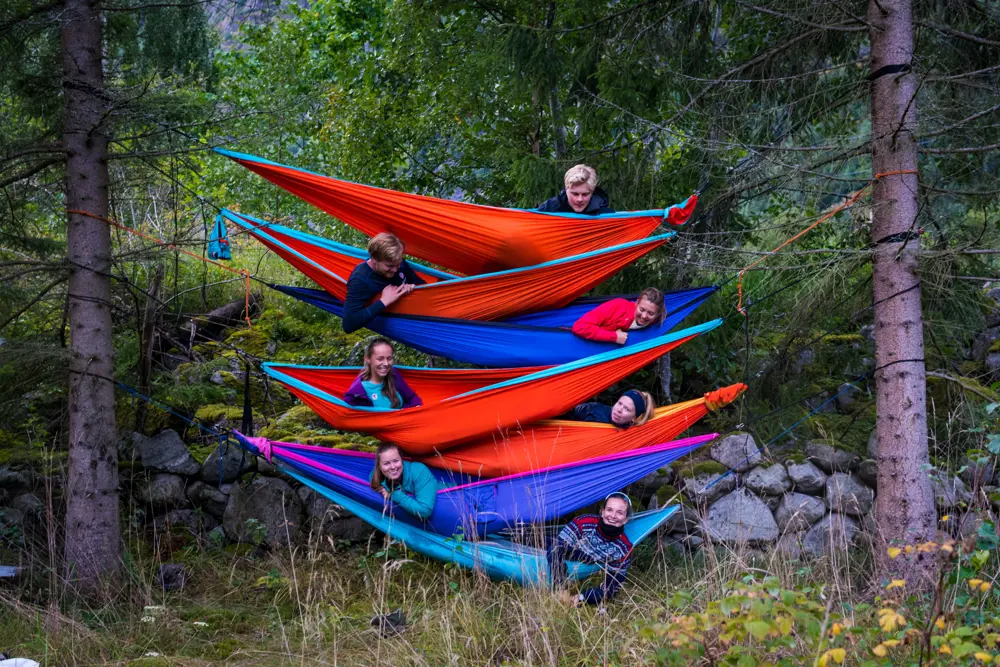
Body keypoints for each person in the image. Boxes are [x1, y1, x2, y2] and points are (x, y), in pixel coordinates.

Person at [547, 492, 633, 605]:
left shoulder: (623, 548)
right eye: (609, 510)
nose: (612, 516)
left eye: (619, 512)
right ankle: (562, 591)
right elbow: (557, 547)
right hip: (552, 551)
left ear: (626, 519)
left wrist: (582, 598)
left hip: (586, 564)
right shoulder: (584, 522)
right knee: (531, 539)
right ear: (602, 512)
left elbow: (613, 586)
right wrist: (563, 588)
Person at [342, 232, 426, 333]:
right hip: (392, 327)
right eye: (389, 266)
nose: (395, 270)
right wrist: (384, 301)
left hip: (417, 321)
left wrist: (413, 287)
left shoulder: (396, 261)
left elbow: (420, 283)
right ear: (374, 259)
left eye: (398, 265)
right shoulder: (360, 280)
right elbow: (348, 324)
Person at [344, 337, 422, 409]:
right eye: (380, 359)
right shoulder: (356, 393)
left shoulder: (394, 376)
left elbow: (412, 398)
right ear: (368, 359)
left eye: (389, 358)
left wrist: (416, 409)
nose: (386, 363)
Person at [571, 287, 666, 345]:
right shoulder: (617, 306)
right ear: (636, 303)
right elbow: (579, 327)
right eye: (641, 309)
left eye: (651, 313)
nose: (644, 316)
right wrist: (614, 336)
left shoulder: (657, 321)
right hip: (581, 345)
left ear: (657, 313)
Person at [369, 442, 438, 519]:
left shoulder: (419, 470)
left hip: (449, 496)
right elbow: (373, 476)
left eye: (396, 460)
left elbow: (424, 511)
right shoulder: (378, 474)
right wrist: (382, 489)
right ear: (379, 467)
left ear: (401, 459)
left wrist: (393, 494)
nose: (392, 467)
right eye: (386, 463)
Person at [537, 164, 614, 215]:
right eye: (575, 194)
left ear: (592, 192)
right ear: (566, 189)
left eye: (585, 194)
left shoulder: (605, 215)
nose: (580, 199)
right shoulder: (549, 208)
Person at [569, 389, 655, 428]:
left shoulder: (632, 434)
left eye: (627, 409)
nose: (619, 410)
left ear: (634, 418)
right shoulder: (594, 408)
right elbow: (569, 413)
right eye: (619, 403)